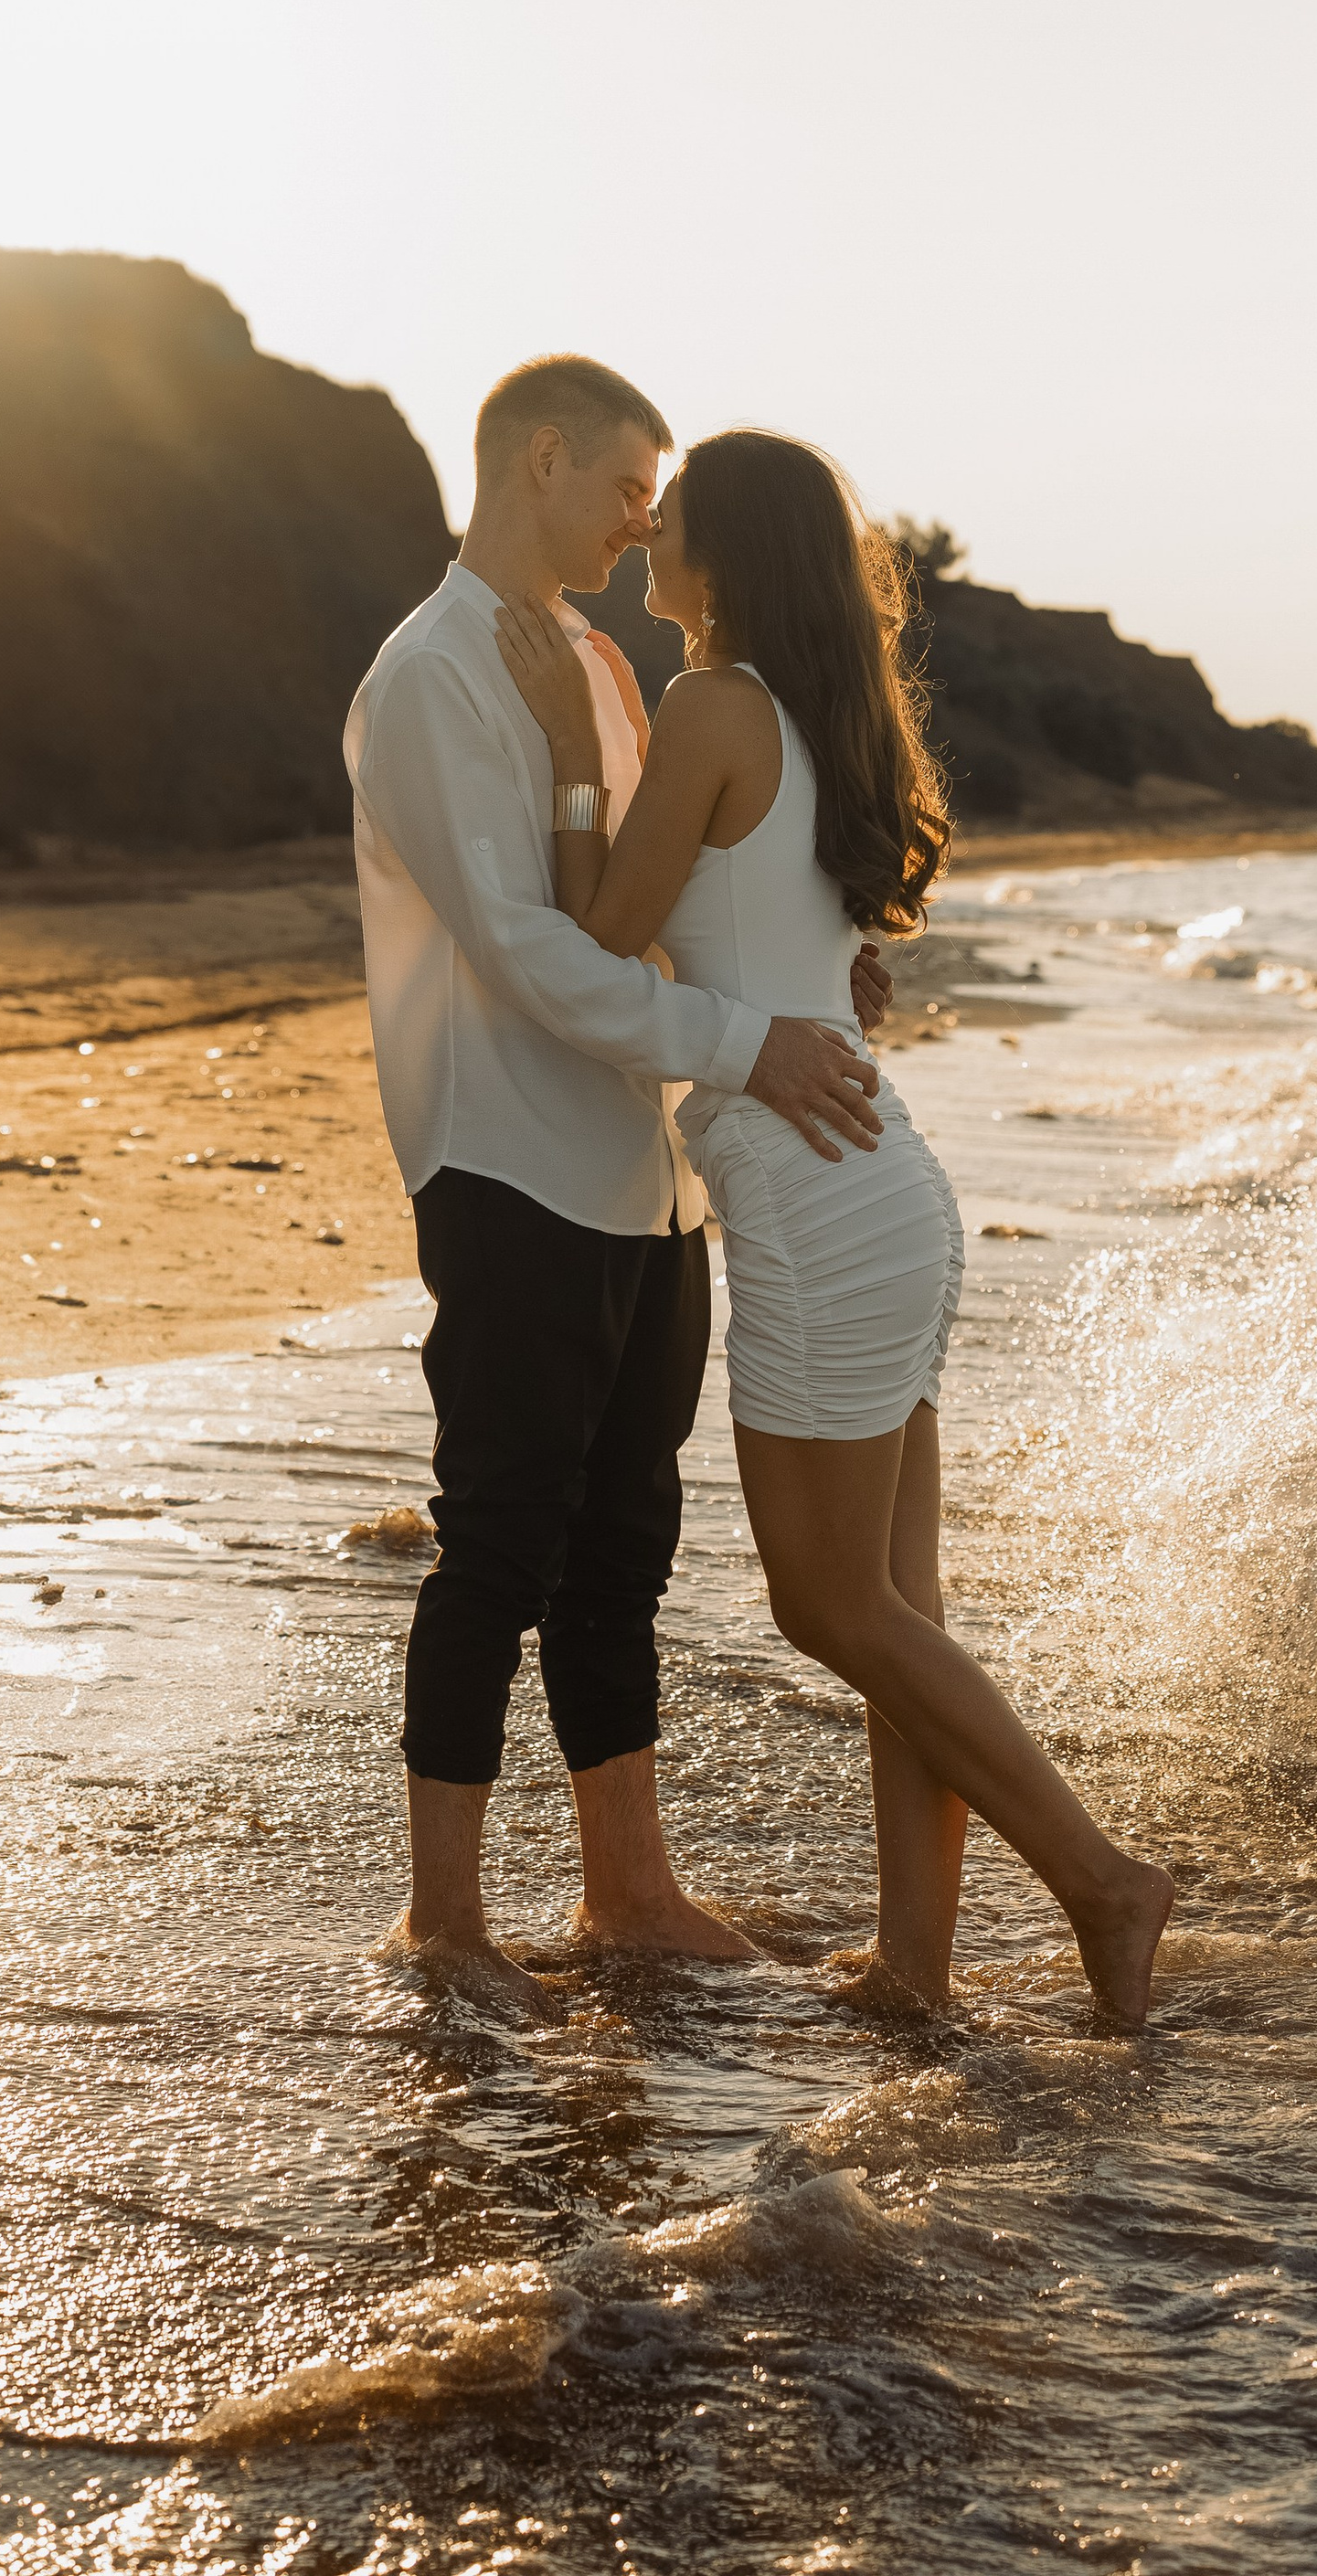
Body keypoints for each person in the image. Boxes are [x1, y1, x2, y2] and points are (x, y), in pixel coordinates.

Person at [491, 429, 1174, 2025]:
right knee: (894, 1615)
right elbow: (805, 960)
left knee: (830, 1606)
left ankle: (1100, 1878)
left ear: (725, 556)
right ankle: (919, 1975)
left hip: (813, 1193)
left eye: (672, 524)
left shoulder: (714, 707)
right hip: (886, 1181)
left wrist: (566, 756)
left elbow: (603, 936)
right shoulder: (826, 720)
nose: (647, 539)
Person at [344, 356, 895, 2011]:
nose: (643, 526)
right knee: (499, 1542)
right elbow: (525, 958)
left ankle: (626, 1888)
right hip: (509, 1157)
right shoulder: (428, 678)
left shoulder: (594, 660)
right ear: (545, 457)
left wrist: (813, 979)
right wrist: (749, 1045)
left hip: (645, 1175)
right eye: (628, 492)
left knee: (625, 1546)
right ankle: (443, 1920)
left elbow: (658, 894)